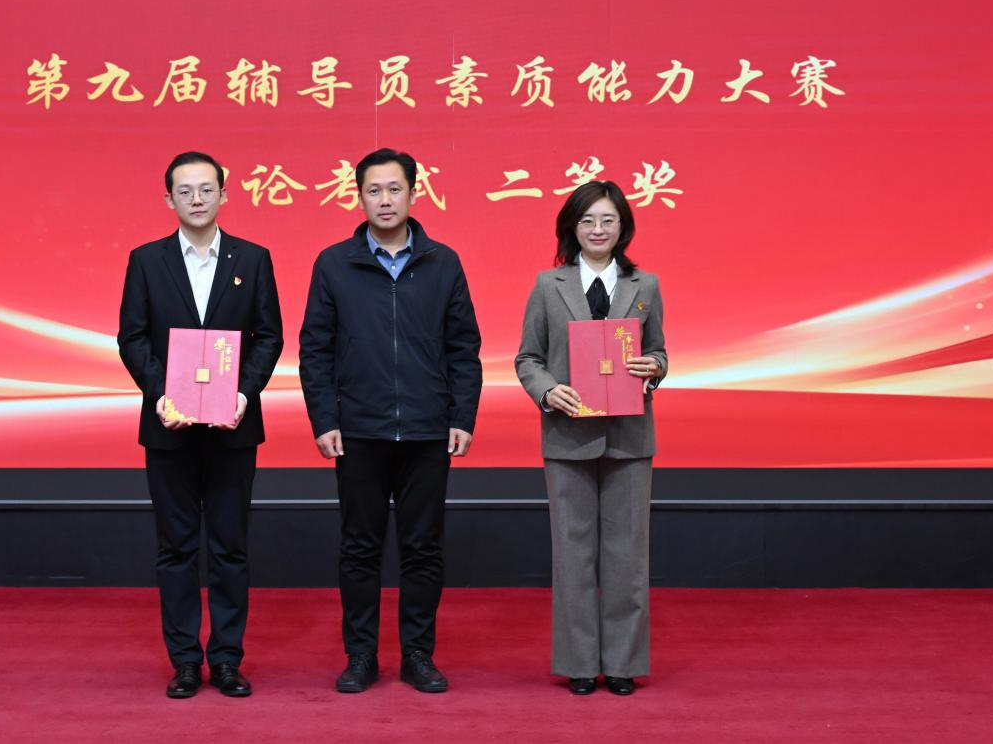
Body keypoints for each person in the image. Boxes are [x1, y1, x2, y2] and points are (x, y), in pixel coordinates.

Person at [299, 147, 483, 694]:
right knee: (360, 548)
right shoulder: (334, 263)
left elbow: (463, 347)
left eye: (394, 189)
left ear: (413, 193)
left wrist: (461, 414)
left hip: (427, 429)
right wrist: (324, 418)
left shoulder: (443, 262)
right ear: (358, 197)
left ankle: (418, 655)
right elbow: (315, 349)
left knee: (423, 548)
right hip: (358, 430)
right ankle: (360, 655)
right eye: (374, 190)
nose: (384, 200)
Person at [118, 151, 283, 699]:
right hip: (169, 428)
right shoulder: (147, 260)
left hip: (233, 428)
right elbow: (131, 338)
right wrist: (162, 394)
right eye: (184, 191)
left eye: (206, 189)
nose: (196, 199)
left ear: (224, 195)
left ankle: (228, 659)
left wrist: (244, 393)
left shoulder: (252, 259)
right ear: (169, 199)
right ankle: (186, 661)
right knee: (177, 549)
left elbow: (269, 337)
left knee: (231, 548)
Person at [514, 180, 667, 696]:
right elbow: (528, 358)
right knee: (572, 555)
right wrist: (547, 390)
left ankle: (622, 663)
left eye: (608, 220)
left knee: (628, 556)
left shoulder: (645, 285)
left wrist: (654, 367)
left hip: (629, 437)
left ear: (623, 227)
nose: (598, 229)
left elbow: (660, 352)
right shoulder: (547, 285)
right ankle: (579, 663)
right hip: (568, 436)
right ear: (571, 228)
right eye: (587, 221)